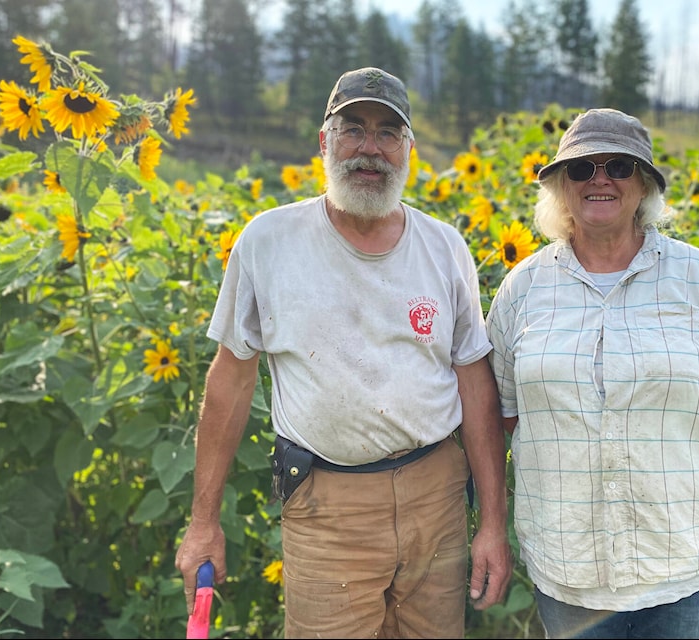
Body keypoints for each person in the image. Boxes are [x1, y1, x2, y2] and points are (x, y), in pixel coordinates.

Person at [175, 67, 512, 639]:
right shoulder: (269, 242)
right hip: (328, 508)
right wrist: (204, 522)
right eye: (353, 128)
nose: (370, 149)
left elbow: (476, 386)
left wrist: (493, 526)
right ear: (324, 141)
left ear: (409, 149)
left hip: (437, 498)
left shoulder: (444, 246)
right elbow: (229, 382)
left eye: (387, 133)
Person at [485, 108, 699, 640]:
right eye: (581, 169)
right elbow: (509, 414)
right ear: (561, 187)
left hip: (686, 560)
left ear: (644, 184)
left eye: (619, 167)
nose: (600, 179)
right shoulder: (523, 290)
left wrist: (674, 439)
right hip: (571, 563)